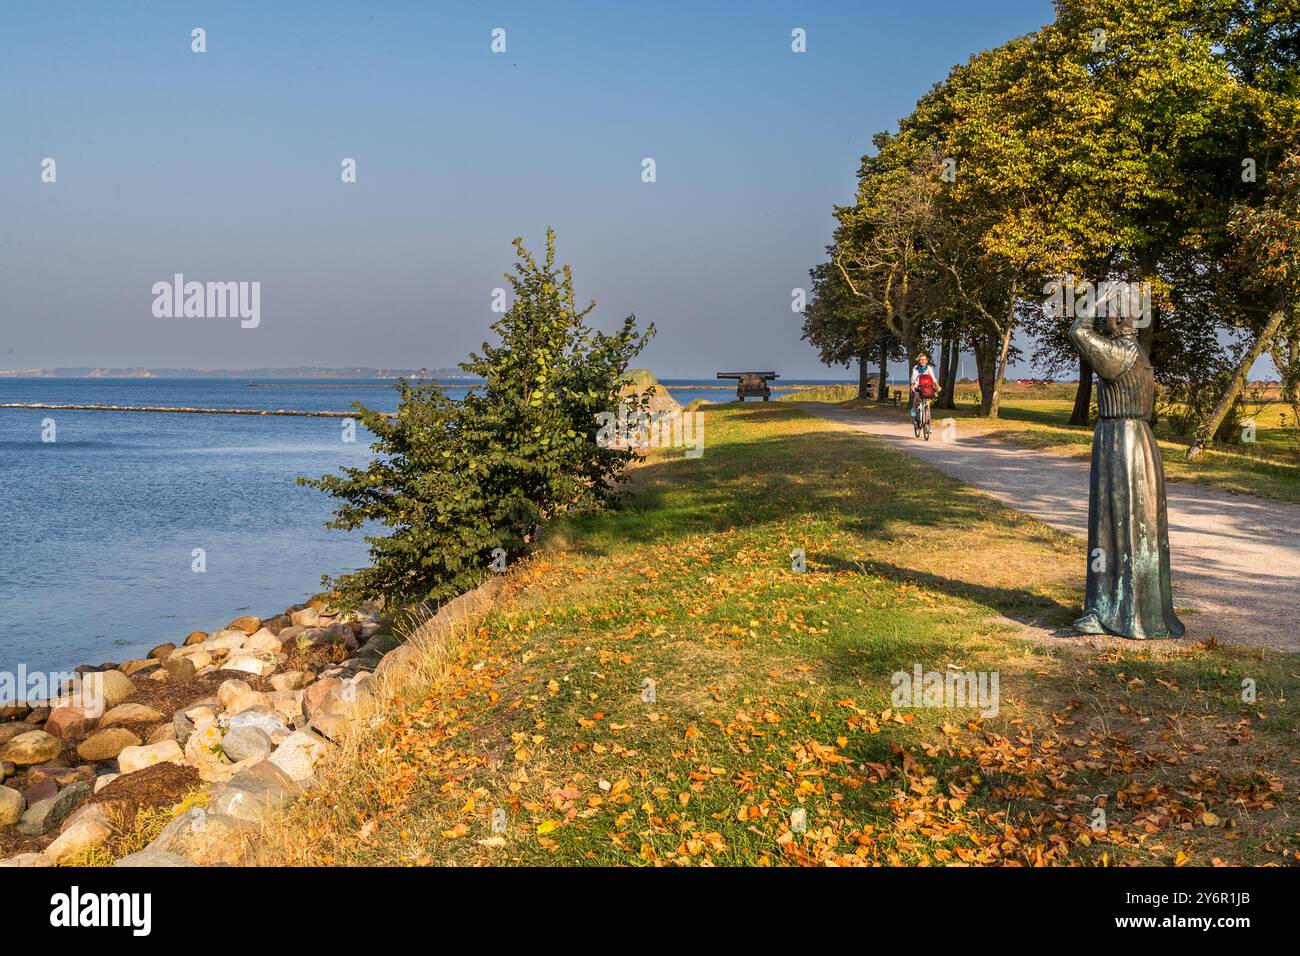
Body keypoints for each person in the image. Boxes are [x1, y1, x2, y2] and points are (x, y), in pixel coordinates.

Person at [1068, 310, 1184, 639]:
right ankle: (1141, 609)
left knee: (1114, 525)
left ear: (1118, 322)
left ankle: (1112, 612)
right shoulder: (1138, 354)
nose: (1100, 324)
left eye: (1105, 318)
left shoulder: (1119, 354)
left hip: (1122, 443)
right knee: (1138, 527)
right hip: (1138, 442)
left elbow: (1077, 331)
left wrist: (1097, 298)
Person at [910, 353, 940, 423]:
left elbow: (933, 378)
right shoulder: (916, 368)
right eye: (921, 360)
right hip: (918, 386)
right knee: (917, 396)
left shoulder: (929, 368)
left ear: (926, 361)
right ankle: (914, 409)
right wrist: (912, 385)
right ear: (919, 361)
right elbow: (913, 378)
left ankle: (927, 424)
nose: (923, 361)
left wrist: (937, 386)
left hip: (927, 387)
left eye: (924, 360)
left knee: (927, 403)